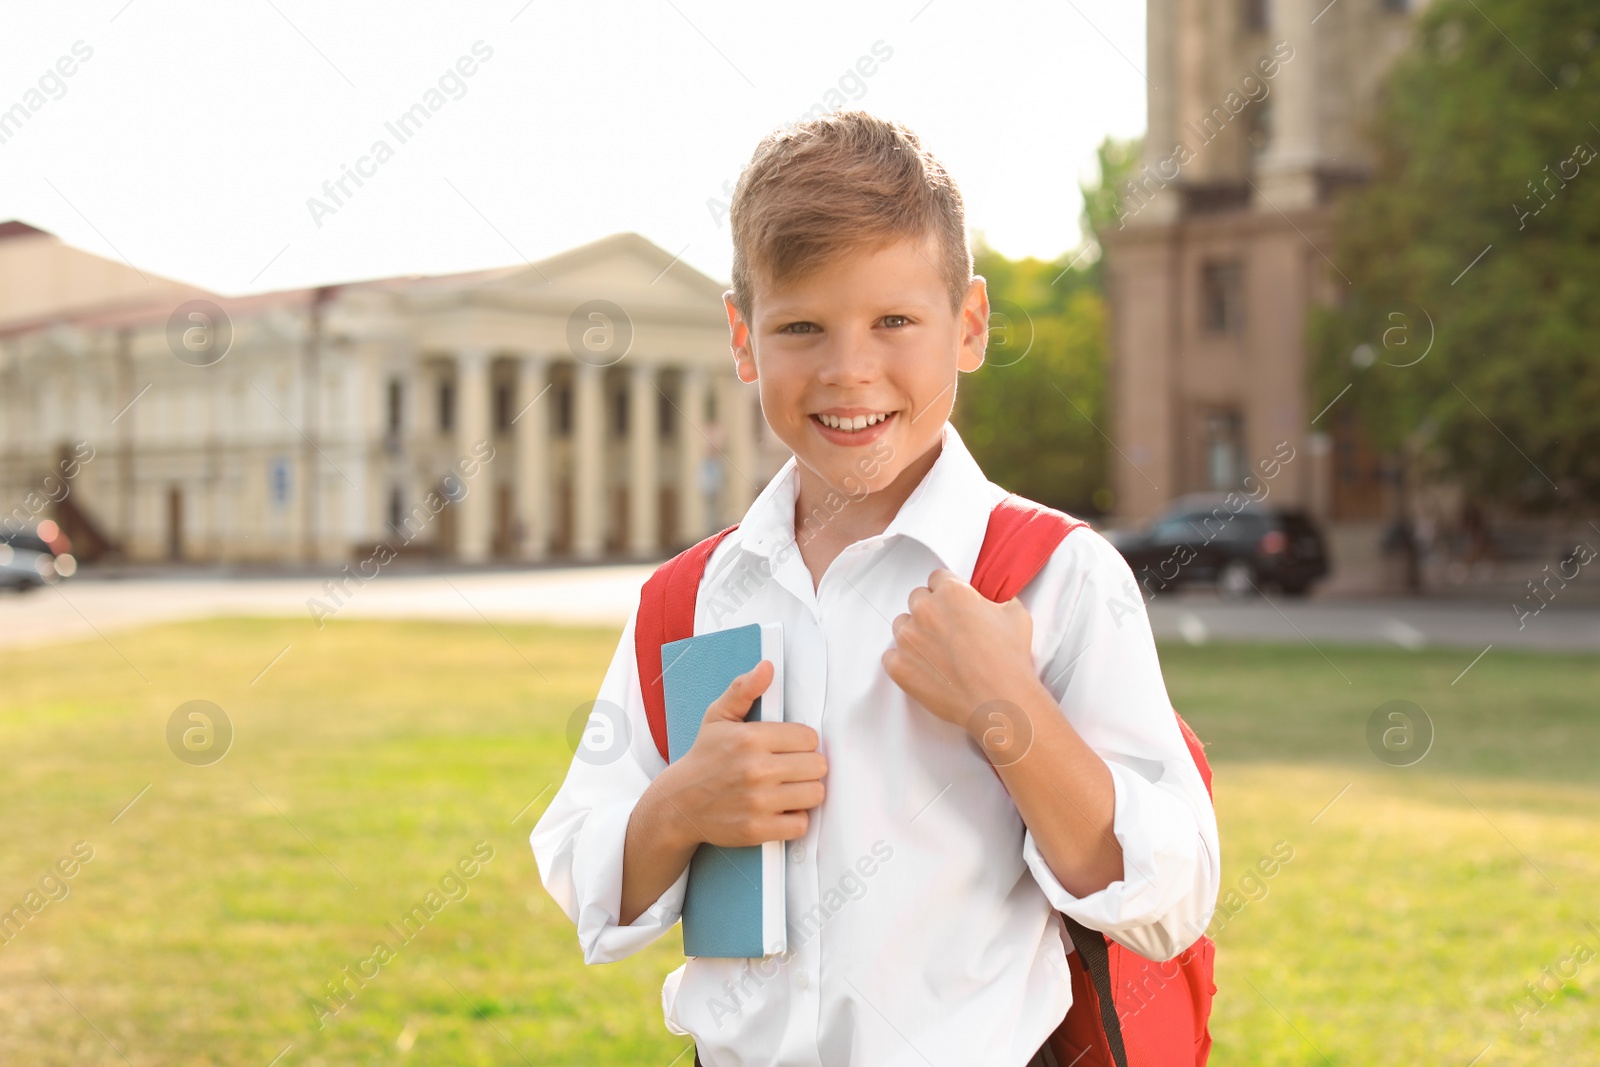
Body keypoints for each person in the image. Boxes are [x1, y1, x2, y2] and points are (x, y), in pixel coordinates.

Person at [531, 110, 1220, 1066]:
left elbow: (1170, 897)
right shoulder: (691, 600)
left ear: (969, 324)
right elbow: (582, 866)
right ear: (743, 338)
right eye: (802, 326)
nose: (850, 370)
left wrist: (1010, 711)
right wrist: (678, 810)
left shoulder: (1055, 578)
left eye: (895, 320)